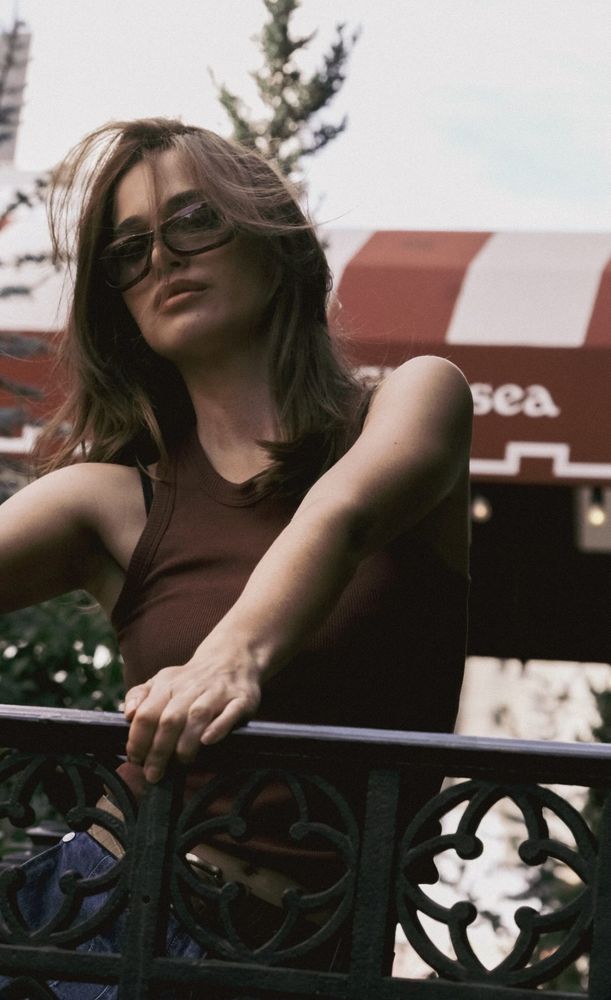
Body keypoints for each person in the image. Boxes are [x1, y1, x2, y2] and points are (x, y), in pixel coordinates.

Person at [0, 117, 472, 997]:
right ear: (118, 304)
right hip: (99, 921)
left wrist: (230, 658)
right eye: (129, 250)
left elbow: (340, 516)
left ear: (273, 239)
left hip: (311, 952)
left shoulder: (415, 399)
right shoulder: (109, 500)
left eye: (193, 221)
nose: (162, 258)